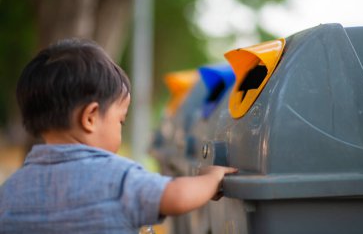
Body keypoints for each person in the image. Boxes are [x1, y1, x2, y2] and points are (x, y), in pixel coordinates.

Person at [0, 38, 237, 233]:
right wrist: (209, 179)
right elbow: (176, 196)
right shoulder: (118, 178)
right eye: (120, 120)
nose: (120, 128)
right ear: (90, 117)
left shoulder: (9, 191)